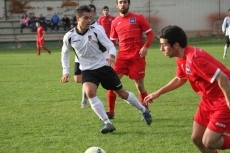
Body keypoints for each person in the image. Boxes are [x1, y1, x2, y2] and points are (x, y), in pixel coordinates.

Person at [60, 5, 152, 134]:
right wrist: (66, 71)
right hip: (87, 70)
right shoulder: (69, 36)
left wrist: (112, 55)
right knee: (90, 92)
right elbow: (65, 53)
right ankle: (107, 122)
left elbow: (110, 45)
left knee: (122, 94)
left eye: (90, 18)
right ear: (78, 18)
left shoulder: (96, 29)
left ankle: (143, 110)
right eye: (85, 18)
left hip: (103, 67)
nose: (88, 21)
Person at [144, 25, 230, 153]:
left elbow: (223, 78)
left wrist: (229, 102)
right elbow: (180, 78)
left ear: (176, 45)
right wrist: (158, 93)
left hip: (223, 99)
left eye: (164, 45)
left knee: (209, 141)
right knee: (197, 138)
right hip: (208, 100)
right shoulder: (182, 58)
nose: (161, 48)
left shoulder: (195, 59)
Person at [107, 0, 154, 119]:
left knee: (139, 86)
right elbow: (111, 42)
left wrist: (145, 47)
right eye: (120, 2)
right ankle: (111, 112)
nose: (123, 4)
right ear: (117, 5)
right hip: (122, 57)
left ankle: (146, 111)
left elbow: (150, 34)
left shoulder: (138, 18)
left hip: (137, 57)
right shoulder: (115, 22)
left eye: (125, 2)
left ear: (129, 4)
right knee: (112, 83)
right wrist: (109, 55)